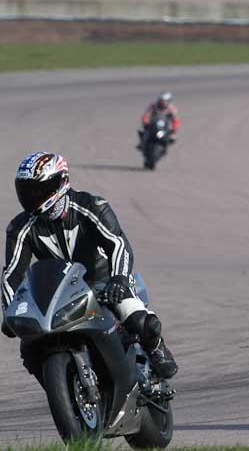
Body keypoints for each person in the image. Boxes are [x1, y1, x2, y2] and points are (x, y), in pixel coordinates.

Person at [1, 152, 178, 378]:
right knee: (29, 347)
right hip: (59, 295)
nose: (33, 197)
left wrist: (120, 279)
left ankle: (156, 348)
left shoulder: (91, 206)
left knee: (141, 322)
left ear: (61, 182)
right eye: (27, 191)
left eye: (39, 189)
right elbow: (12, 275)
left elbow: (119, 244)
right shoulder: (20, 228)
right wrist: (9, 312)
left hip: (104, 284)